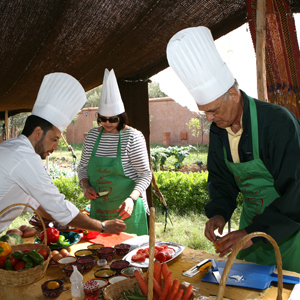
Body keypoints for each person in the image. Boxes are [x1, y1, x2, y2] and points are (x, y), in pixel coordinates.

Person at [166, 26, 300, 273]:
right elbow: (221, 179)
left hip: (289, 227)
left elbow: (296, 192)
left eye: (213, 110)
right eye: (204, 111)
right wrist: (219, 212)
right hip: (250, 225)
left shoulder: (278, 124)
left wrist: (252, 232)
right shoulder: (219, 130)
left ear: (233, 94)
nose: (208, 118)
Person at [0, 72, 126, 235]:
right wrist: (101, 226)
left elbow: (36, 202)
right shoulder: (24, 157)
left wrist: (66, 221)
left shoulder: (13, 148)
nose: (56, 146)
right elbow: (56, 206)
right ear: (38, 133)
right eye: (54, 139)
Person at [78, 69, 152, 236]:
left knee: (131, 254)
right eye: (103, 119)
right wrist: (86, 185)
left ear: (122, 117)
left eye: (113, 119)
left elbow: (145, 174)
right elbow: (83, 167)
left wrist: (132, 198)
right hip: (100, 211)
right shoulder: (92, 136)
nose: (107, 123)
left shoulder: (133, 137)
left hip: (127, 210)